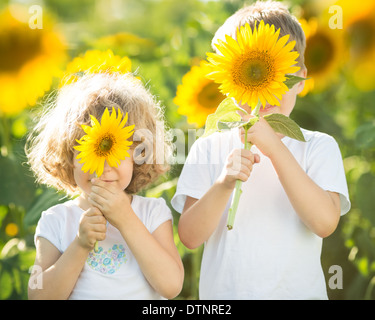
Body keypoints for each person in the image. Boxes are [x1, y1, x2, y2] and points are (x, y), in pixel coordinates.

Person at [172, 0, 350, 300]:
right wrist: (224, 183)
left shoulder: (318, 147)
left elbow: (324, 223)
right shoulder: (210, 147)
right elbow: (189, 237)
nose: (264, 87)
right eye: (249, 72)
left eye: (279, 76)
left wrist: (275, 150)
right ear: (229, 81)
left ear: (301, 80)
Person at [26, 72, 184, 299]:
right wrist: (80, 245)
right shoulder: (56, 220)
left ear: (139, 154)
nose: (104, 166)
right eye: (90, 150)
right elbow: (37, 294)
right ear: (69, 156)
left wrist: (126, 219)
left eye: (115, 149)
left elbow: (171, 286)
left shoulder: (152, 213)